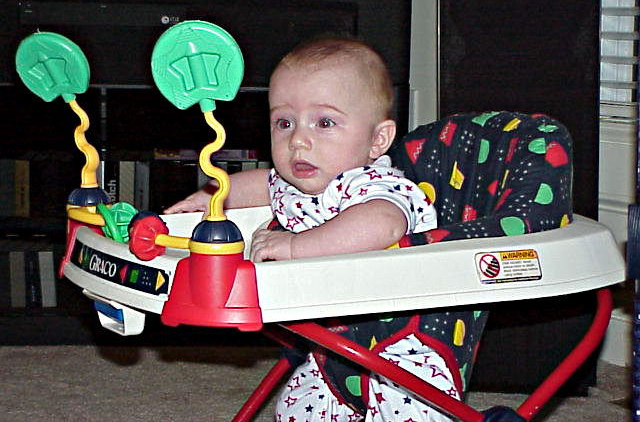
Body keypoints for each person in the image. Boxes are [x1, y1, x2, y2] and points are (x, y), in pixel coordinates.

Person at [165, 36, 457, 422]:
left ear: (377, 140)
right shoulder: (294, 185)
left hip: (401, 351)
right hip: (332, 347)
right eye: (284, 123)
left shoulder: (374, 186)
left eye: (324, 122)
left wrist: (295, 247)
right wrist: (211, 196)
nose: (298, 140)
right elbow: (260, 184)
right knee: (297, 410)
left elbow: (380, 226)